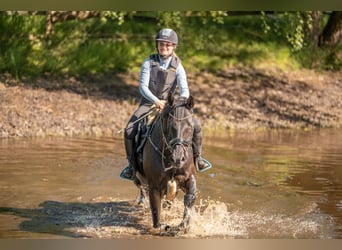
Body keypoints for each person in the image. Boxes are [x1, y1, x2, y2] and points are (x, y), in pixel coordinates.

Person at [120, 28, 211, 181]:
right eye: (162, 44)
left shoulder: (178, 66)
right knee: (129, 130)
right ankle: (131, 166)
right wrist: (156, 101)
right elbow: (143, 87)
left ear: (174, 46)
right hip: (149, 103)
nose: (165, 47)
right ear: (157, 45)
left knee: (196, 126)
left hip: (171, 104)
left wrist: (179, 105)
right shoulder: (149, 62)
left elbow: (185, 90)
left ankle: (198, 159)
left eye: (168, 45)